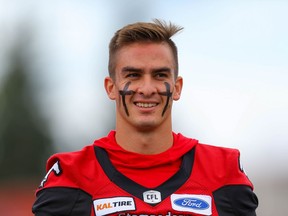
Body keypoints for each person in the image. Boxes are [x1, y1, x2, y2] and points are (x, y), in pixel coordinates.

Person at [32, 19, 258, 216]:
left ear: (177, 87)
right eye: (133, 75)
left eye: (160, 75)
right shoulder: (72, 175)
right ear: (110, 87)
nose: (147, 88)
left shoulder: (223, 171)